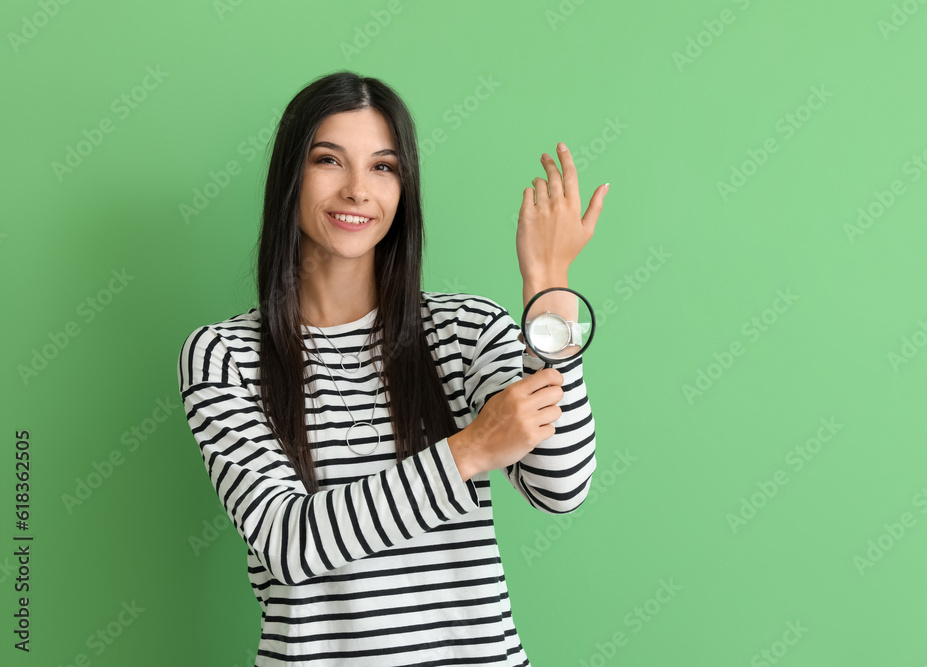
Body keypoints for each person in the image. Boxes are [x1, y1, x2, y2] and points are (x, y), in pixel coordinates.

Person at [176, 70, 607, 666]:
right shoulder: (225, 356)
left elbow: (560, 485)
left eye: (383, 167)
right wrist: (471, 449)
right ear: (289, 177)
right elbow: (290, 542)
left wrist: (547, 284)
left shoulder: (463, 333)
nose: (358, 190)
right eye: (329, 160)